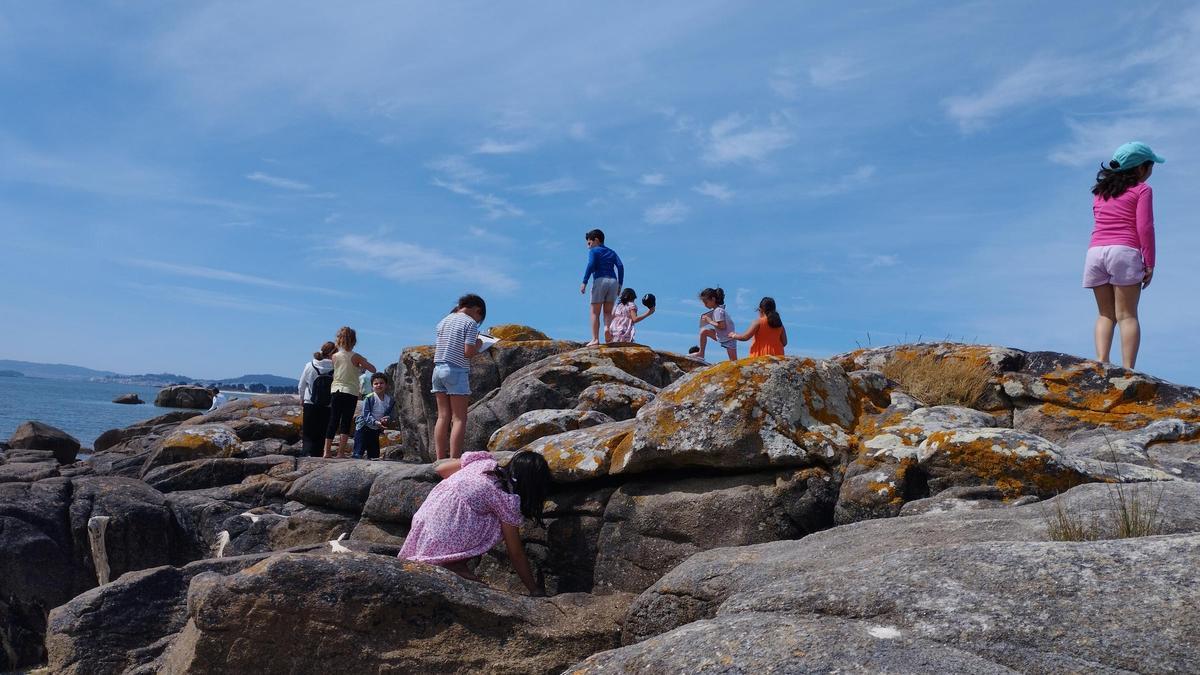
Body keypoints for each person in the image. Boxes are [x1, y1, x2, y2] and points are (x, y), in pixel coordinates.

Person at [398, 450, 551, 597]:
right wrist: (534, 589)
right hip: (445, 534)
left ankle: (453, 562)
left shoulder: (482, 462)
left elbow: (442, 469)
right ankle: (453, 563)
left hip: (426, 519)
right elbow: (515, 552)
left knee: (480, 510)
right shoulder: (505, 498)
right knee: (501, 522)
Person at [1083, 141, 1164, 370]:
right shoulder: (1142, 190)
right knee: (1127, 316)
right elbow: (1145, 227)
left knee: (1105, 315)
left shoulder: (1100, 192)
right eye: (1150, 167)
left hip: (1095, 253)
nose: (1150, 172)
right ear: (1140, 168)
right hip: (1124, 251)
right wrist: (1150, 263)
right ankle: (1128, 371)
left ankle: (1101, 363)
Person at [433, 294, 486, 460]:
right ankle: (454, 459)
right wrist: (479, 344)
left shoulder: (444, 320)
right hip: (456, 371)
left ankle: (440, 459)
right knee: (459, 419)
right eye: (480, 318)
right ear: (477, 310)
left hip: (438, 369)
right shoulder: (469, 323)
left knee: (442, 417)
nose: (477, 322)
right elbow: (468, 352)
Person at [324, 326, 378, 459]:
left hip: (336, 389)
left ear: (339, 340)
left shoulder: (334, 356)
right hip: (350, 391)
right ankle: (341, 452)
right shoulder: (356, 356)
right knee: (346, 422)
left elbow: (341, 369)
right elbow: (373, 369)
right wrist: (360, 366)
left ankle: (327, 451)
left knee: (333, 420)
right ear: (354, 341)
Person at [579, 229, 624, 346]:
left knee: (594, 312)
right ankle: (607, 328)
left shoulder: (594, 251)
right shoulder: (612, 252)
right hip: (613, 282)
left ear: (596, 240)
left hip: (600, 280)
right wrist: (620, 284)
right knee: (608, 312)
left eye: (589, 243)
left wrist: (584, 281)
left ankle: (595, 339)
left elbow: (591, 264)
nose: (588, 247)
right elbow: (620, 266)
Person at [298, 341, 336, 457]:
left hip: (310, 401)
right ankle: (318, 455)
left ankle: (307, 454)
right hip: (327, 404)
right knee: (322, 431)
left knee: (308, 432)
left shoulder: (310, 365)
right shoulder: (336, 367)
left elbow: (301, 385)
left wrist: (301, 398)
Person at [353, 372, 394, 460]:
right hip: (363, 427)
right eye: (376, 383)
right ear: (372, 386)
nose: (379, 385)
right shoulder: (369, 397)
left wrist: (386, 418)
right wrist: (376, 422)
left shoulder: (389, 400)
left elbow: (390, 413)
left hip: (375, 429)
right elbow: (365, 414)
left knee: (374, 454)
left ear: (386, 385)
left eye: (381, 383)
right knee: (358, 452)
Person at [696, 287, 736, 361]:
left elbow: (722, 326)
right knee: (703, 331)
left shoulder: (718, 310)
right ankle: (701, 353)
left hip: (728, 338)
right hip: (723, 336)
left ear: (713, 299)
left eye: (706, 302)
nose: (705, 305)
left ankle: (701, 353)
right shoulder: (718, 310)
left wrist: (709, 321)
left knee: (733, 361)